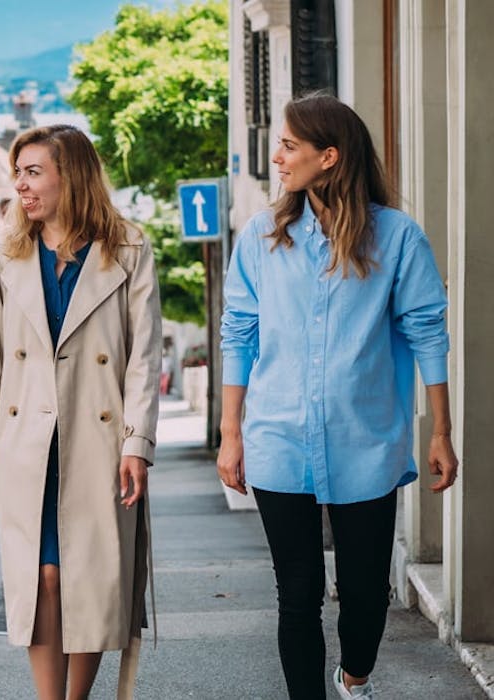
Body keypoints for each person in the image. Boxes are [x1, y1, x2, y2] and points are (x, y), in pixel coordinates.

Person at [218, 93, 456, 700]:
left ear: (329, 157)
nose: (276, 158)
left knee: (365, 584)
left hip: (366, 440)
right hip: (278, 437)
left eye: (289, 146)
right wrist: (231, 432)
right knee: (295, 592)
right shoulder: (262, 238)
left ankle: (355, 681)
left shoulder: (398, 238)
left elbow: (426, 328)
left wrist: (440, 431)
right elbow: (238, 331)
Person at [0, 124, 162, 700]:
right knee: (41, 579)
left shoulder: (127, 249)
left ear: (69, 176)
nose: (21, 187)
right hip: (29, 444)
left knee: (88, 581)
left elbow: (142, 358)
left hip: (96, 444)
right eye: (17, 173)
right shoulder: (8, 253)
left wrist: (135, 444)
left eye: (33, 173)